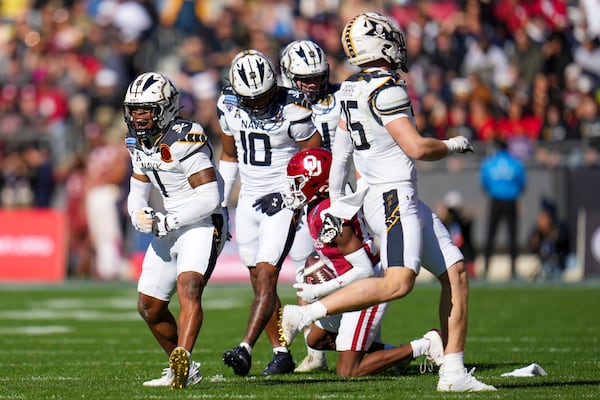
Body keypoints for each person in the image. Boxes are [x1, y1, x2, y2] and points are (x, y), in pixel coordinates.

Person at [279, 12, 496, 392]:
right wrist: (453, 144)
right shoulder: (387, 90)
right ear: (382, 44)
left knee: (456, 273)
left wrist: (336, 204)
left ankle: (453, 372)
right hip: (393, 196)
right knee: (398, 283)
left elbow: (342, 155)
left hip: (388, 197)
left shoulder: (349, 89)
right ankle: (306, 312)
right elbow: (417, 148)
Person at [270, 147, 445, 377]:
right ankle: (393, 356)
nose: (294, 189)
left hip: (368, 288)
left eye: (299, 182)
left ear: (319, 184)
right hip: (351, 283)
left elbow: (363, 270)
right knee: (317, 338)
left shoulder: (331, 217)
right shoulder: (317, 208)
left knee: (347, 370)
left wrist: (321, 288)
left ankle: (425, 345)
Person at [217, 50, 322, 376]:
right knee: (258, 281)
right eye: (252, 98)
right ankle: (281, 352)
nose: (259, 103)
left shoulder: (293, 107)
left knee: (267, 275)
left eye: (263, 95)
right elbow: (229, 154)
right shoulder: (228, 104)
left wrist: (292, 194)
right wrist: (221, 203)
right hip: (248, 201)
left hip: (283, 201)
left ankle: (245, 348)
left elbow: (318, 157)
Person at [124, 72, 228, 389]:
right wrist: (136, 213)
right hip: (170, 221)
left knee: (190, 286)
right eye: (135, 109)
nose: (139, 117)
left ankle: (183, 355)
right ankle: (183, 367)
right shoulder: (138, 142)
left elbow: (210, 198)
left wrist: (168, 221)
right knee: (149, 306)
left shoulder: (184, 137)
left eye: (147, 109)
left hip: (202, 221)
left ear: (167, 108)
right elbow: (137, 187)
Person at [278, 38, 342, 372]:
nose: (314, 83)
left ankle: (363, 342)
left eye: (318, 75)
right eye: (305, 78)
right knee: (305, 273)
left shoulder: (344, 96)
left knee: (355, 272)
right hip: (307, 198)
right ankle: (314, 351)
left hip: (343, 193)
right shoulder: (281, 105)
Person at [480, 139, 527, 280]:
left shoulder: (489, 163)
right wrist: (513, 192)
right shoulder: (516, 163)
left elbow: (484, 182)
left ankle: (487, 267)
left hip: (495, 200)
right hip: (510, 200)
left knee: (490, 234)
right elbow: (522, 183)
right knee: (512, 235)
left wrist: (495, 191)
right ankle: (513, 268)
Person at [528, 197, 570, 281]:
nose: (540, 220)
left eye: (544, 217)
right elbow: (532, 248)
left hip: (560, 265)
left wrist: (550, 233)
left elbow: (561, 244)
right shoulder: (537, 232)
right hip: (544, 265)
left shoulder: (559, 229)